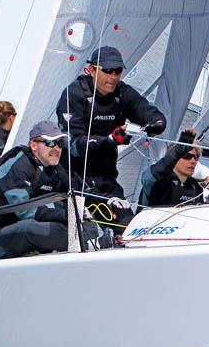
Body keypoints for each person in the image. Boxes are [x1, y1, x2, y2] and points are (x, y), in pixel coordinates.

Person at [56, 46, 167, 233]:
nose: (113, 76)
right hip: (72, 180)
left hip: (106, 181)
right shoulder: (74, 94)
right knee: (78, 238)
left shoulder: (123, 93)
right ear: (91, 70)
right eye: (107, 70)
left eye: (118, 71)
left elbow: (148, 111)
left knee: (129, 230)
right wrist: (110, 140)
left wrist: (156, 123)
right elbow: (74, 145)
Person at [0, 121, 70, 261]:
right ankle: (81, 243)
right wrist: (65, 215)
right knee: (30, 227)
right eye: (50, 143)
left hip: (13, 230)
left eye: (60, 143)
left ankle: (91, 239)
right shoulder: (17, 165)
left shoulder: (54, 168)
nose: (57, 148)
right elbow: (25, 210)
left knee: (70, 218)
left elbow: (74, 192)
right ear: (34, 145)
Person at [140, 129, 209, 207]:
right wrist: (177, 152)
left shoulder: (196, 187)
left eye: (196, 157)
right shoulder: (160, 181)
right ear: (175, 156)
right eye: (187, 156)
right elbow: (149, 178)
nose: (193, 161)